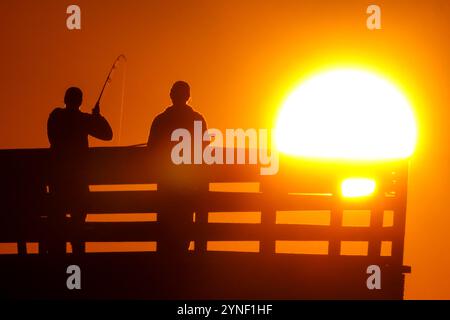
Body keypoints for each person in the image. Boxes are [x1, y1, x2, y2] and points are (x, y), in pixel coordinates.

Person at [47, 87, 113, 254]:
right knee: (79, 218)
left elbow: (51, 137)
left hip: (58, 181)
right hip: (78, 181)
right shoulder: (83, 119)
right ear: (80, 101)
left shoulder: (55, 116)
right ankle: (78, 253)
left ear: (65, 99)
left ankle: (57, 255)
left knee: (57, 219)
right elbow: (107, 134)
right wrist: (96, 116)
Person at [147, 81, 208, 256]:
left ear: (171, 95)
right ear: (188, 97)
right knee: (186, 223)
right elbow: (204, 147)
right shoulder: (197, 119)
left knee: (164, 225)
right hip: (188, 184)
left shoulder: (160, 120)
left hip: (166, 184)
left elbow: (151, 149)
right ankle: (182, 260)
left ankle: (165, 263)